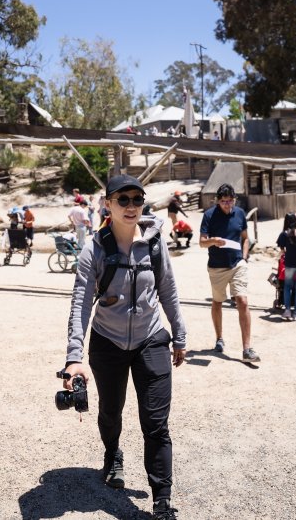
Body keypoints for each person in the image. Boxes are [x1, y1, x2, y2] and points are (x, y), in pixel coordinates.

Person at [63, 174, 186, 520]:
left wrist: (180, 335)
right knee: (111, 411)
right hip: (108, 342)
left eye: (137, 199)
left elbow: (168, 292)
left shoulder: (155, 243)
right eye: (123, 199)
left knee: (156, 423)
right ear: (108, 204)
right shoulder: (94, 249)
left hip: (151, 340)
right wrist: (74, 358)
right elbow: (80, 305)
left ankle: (162, 500)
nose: (131, 206)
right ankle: (113, 452)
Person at [200, 183, 260, 362]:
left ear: (234, 200)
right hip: (217, 267)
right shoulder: (209, 215)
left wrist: (244, 256)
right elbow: (202, 242)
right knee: (218, 302)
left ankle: (247, 349)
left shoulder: (240, 213)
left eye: (230, 201)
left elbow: (245, 238)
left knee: (242, 300)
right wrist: (213, 241)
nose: (227, 204)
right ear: (218, 201)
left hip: (237, 264)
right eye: (224, 201)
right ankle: (219, 338)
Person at [276, 213, 296, 321]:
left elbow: (282, 250)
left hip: (289, 264)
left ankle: (287, 311)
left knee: (287, 287)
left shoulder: (284, 234)